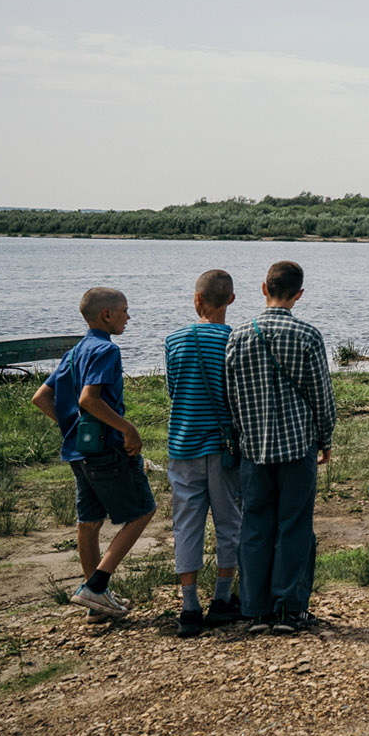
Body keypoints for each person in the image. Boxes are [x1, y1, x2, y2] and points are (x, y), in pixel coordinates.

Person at [223, 261, 334, 635]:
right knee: (295, 525)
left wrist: (242, 433)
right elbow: (321, 394)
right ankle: (289, 609)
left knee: (255, 525)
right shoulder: (307, 335)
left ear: (263, 287)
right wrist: (326, 437)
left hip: (253, 447)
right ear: (299, 293)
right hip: (298, 444)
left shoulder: (238, 335)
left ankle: (256, 611)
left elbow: (232, 395)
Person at [30, 287, 153, 619]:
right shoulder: (105, 351)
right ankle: (96, 586)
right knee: (142, 511)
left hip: (79, 452)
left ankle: (95, 602)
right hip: (108, 452)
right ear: (107, 315)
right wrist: (127, 429)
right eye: (125, 310)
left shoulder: (76, 351)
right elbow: (89, 399)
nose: (129, 316)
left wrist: (73, 428)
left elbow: (41, 397)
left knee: (89, 522)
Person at [164, 270, 243, 637]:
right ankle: (222, 599)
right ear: (231, 299)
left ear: (196, 299)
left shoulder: (174, 340)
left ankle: (189, 605)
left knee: (187, 524)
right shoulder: (234, 340)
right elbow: (238, 396)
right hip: (224, 448)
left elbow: (173, 390)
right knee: (229, 522)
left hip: (183, 444)